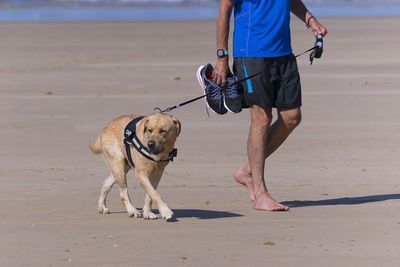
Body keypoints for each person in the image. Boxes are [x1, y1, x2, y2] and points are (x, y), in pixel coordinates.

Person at [212, 0, 328, 211]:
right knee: (262, 118)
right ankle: (260, 194)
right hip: (252, 53)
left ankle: (248, 171)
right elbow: (224, 8)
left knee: (292, 116)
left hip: (283, 53)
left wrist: (311, 20)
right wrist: (222, 56)